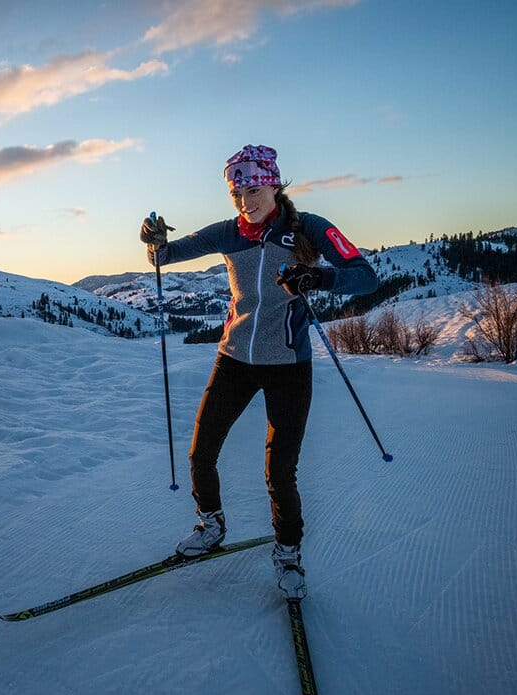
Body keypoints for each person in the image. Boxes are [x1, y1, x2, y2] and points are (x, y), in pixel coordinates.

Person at [139, 144, 378, 599]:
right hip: (234, 359)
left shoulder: (309, 228)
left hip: (288, 364)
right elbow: (164, 257)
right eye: (237, 193)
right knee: (200, 453)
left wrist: (318, 278)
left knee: (279, 472)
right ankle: (211, 527)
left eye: (253, 189)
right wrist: (154, 239)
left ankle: (288, 556)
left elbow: (365, 277)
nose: (245, 201)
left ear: (273, 183)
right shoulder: (231, 232)